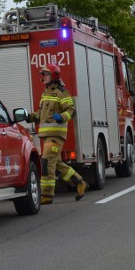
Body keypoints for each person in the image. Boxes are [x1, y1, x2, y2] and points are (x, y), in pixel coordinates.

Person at [25, 64, 89, 204]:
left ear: (54, 76)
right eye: (43, 74)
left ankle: (47, 196)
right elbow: (42, 115)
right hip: (47, 136)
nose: (43, 77)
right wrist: (28, 116)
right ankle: (79, 183)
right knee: (57, 163)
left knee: (46, 162)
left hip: (56, 136)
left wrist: (62, 116)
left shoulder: (62, 92)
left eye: (46, 74)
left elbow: (71, 111)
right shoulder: (46, 94)